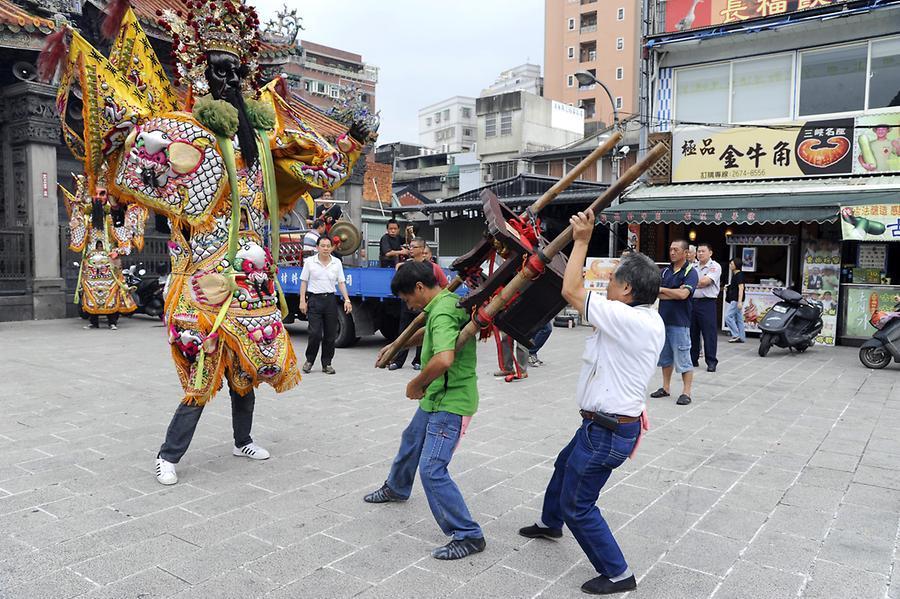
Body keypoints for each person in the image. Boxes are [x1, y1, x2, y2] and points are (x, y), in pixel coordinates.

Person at [72, 2, 370, 485]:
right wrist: (122, 132)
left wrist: (352, 142)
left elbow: (314, 165)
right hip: (202, 275)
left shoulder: (262, 139)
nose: (228, 78)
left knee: (247, 365)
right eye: (218, 69)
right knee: (201, 364)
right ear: (200, 71)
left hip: (251, 272)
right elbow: (140, 153)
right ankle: (168, 455)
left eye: (236, 70)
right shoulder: (185, 132)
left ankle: (242, 439)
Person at [518, 208, 664, 596]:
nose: (607, 285)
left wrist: (581, 241)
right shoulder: (644, 317)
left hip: (607, 430)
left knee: (580, 504)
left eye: (613, 280)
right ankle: (551, 523)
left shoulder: (628, 318)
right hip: (601, 424)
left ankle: (618, 573)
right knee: (563, 465)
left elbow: (571, 292)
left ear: (628, 290)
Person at [365, 261, 485, 560]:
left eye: (407, 298)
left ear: (419, 287)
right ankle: (397, 487)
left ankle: (468, 534)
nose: (408, 304)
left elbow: (443, 358)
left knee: (432, 470)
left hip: (450, 400)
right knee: (412, 438)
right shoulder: (443, 302)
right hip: (437, 396)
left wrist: (415, 383)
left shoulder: (443, 310)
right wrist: (397, 345)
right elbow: (432, 335)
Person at [650, 240, 698, 406]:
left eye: (676, 250)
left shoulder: (691, 272)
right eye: (670, 249)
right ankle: (665, 387)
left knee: (684, 357)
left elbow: (683, 295)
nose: (672, 252)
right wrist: (673, 292)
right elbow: (657, 294)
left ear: (685, 253)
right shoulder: (665, 272)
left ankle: (686, 392)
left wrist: (664, 290)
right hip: (662, 321)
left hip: (680, 322)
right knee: (665, 357)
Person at [390, 238, 448, 371]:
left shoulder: (432, 267)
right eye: (410, 246)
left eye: (414, 247)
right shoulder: (404, 266)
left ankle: (418, 360)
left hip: (424, 308)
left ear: (422, 250)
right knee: (403, 332)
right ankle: (398, 361)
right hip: (407, 309)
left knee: (424, 333)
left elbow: (445, 285)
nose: (411, 249)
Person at [299, 236, 353, 374]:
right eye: (322, 245)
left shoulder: (336, 263)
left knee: (330, 335)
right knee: (315, 333)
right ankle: (309, 360)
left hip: (330, 300)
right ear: (317, 247)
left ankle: (327, 363)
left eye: (328, 246)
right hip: (314, 300)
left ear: (331, 247)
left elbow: (341, 282)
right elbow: (304, 282)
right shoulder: (310, 262)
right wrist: (302, 301)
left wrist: (347, 300)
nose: (325, 248)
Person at [690, 243, 721, 372]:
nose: (700, 253)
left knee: (709, 333)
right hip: (692, 302)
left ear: (710, 253)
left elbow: (705, 282)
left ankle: (711, 361)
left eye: (703, 251)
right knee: (692, 332)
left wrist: (691, 283)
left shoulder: (715, 266)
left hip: (707, 303)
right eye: (698, 251)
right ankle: (693, 359)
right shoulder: (692, 266)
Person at [724, 257, 746, 343]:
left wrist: (739, 301)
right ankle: (742, 337)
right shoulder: (736, 274)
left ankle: (736, 335)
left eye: (732, 264)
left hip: (736, 300)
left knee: (728, 316)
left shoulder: (739, 275)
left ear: (736, 265)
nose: (730, 265)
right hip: (737, 299)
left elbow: (741, 288)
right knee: (739, 318)